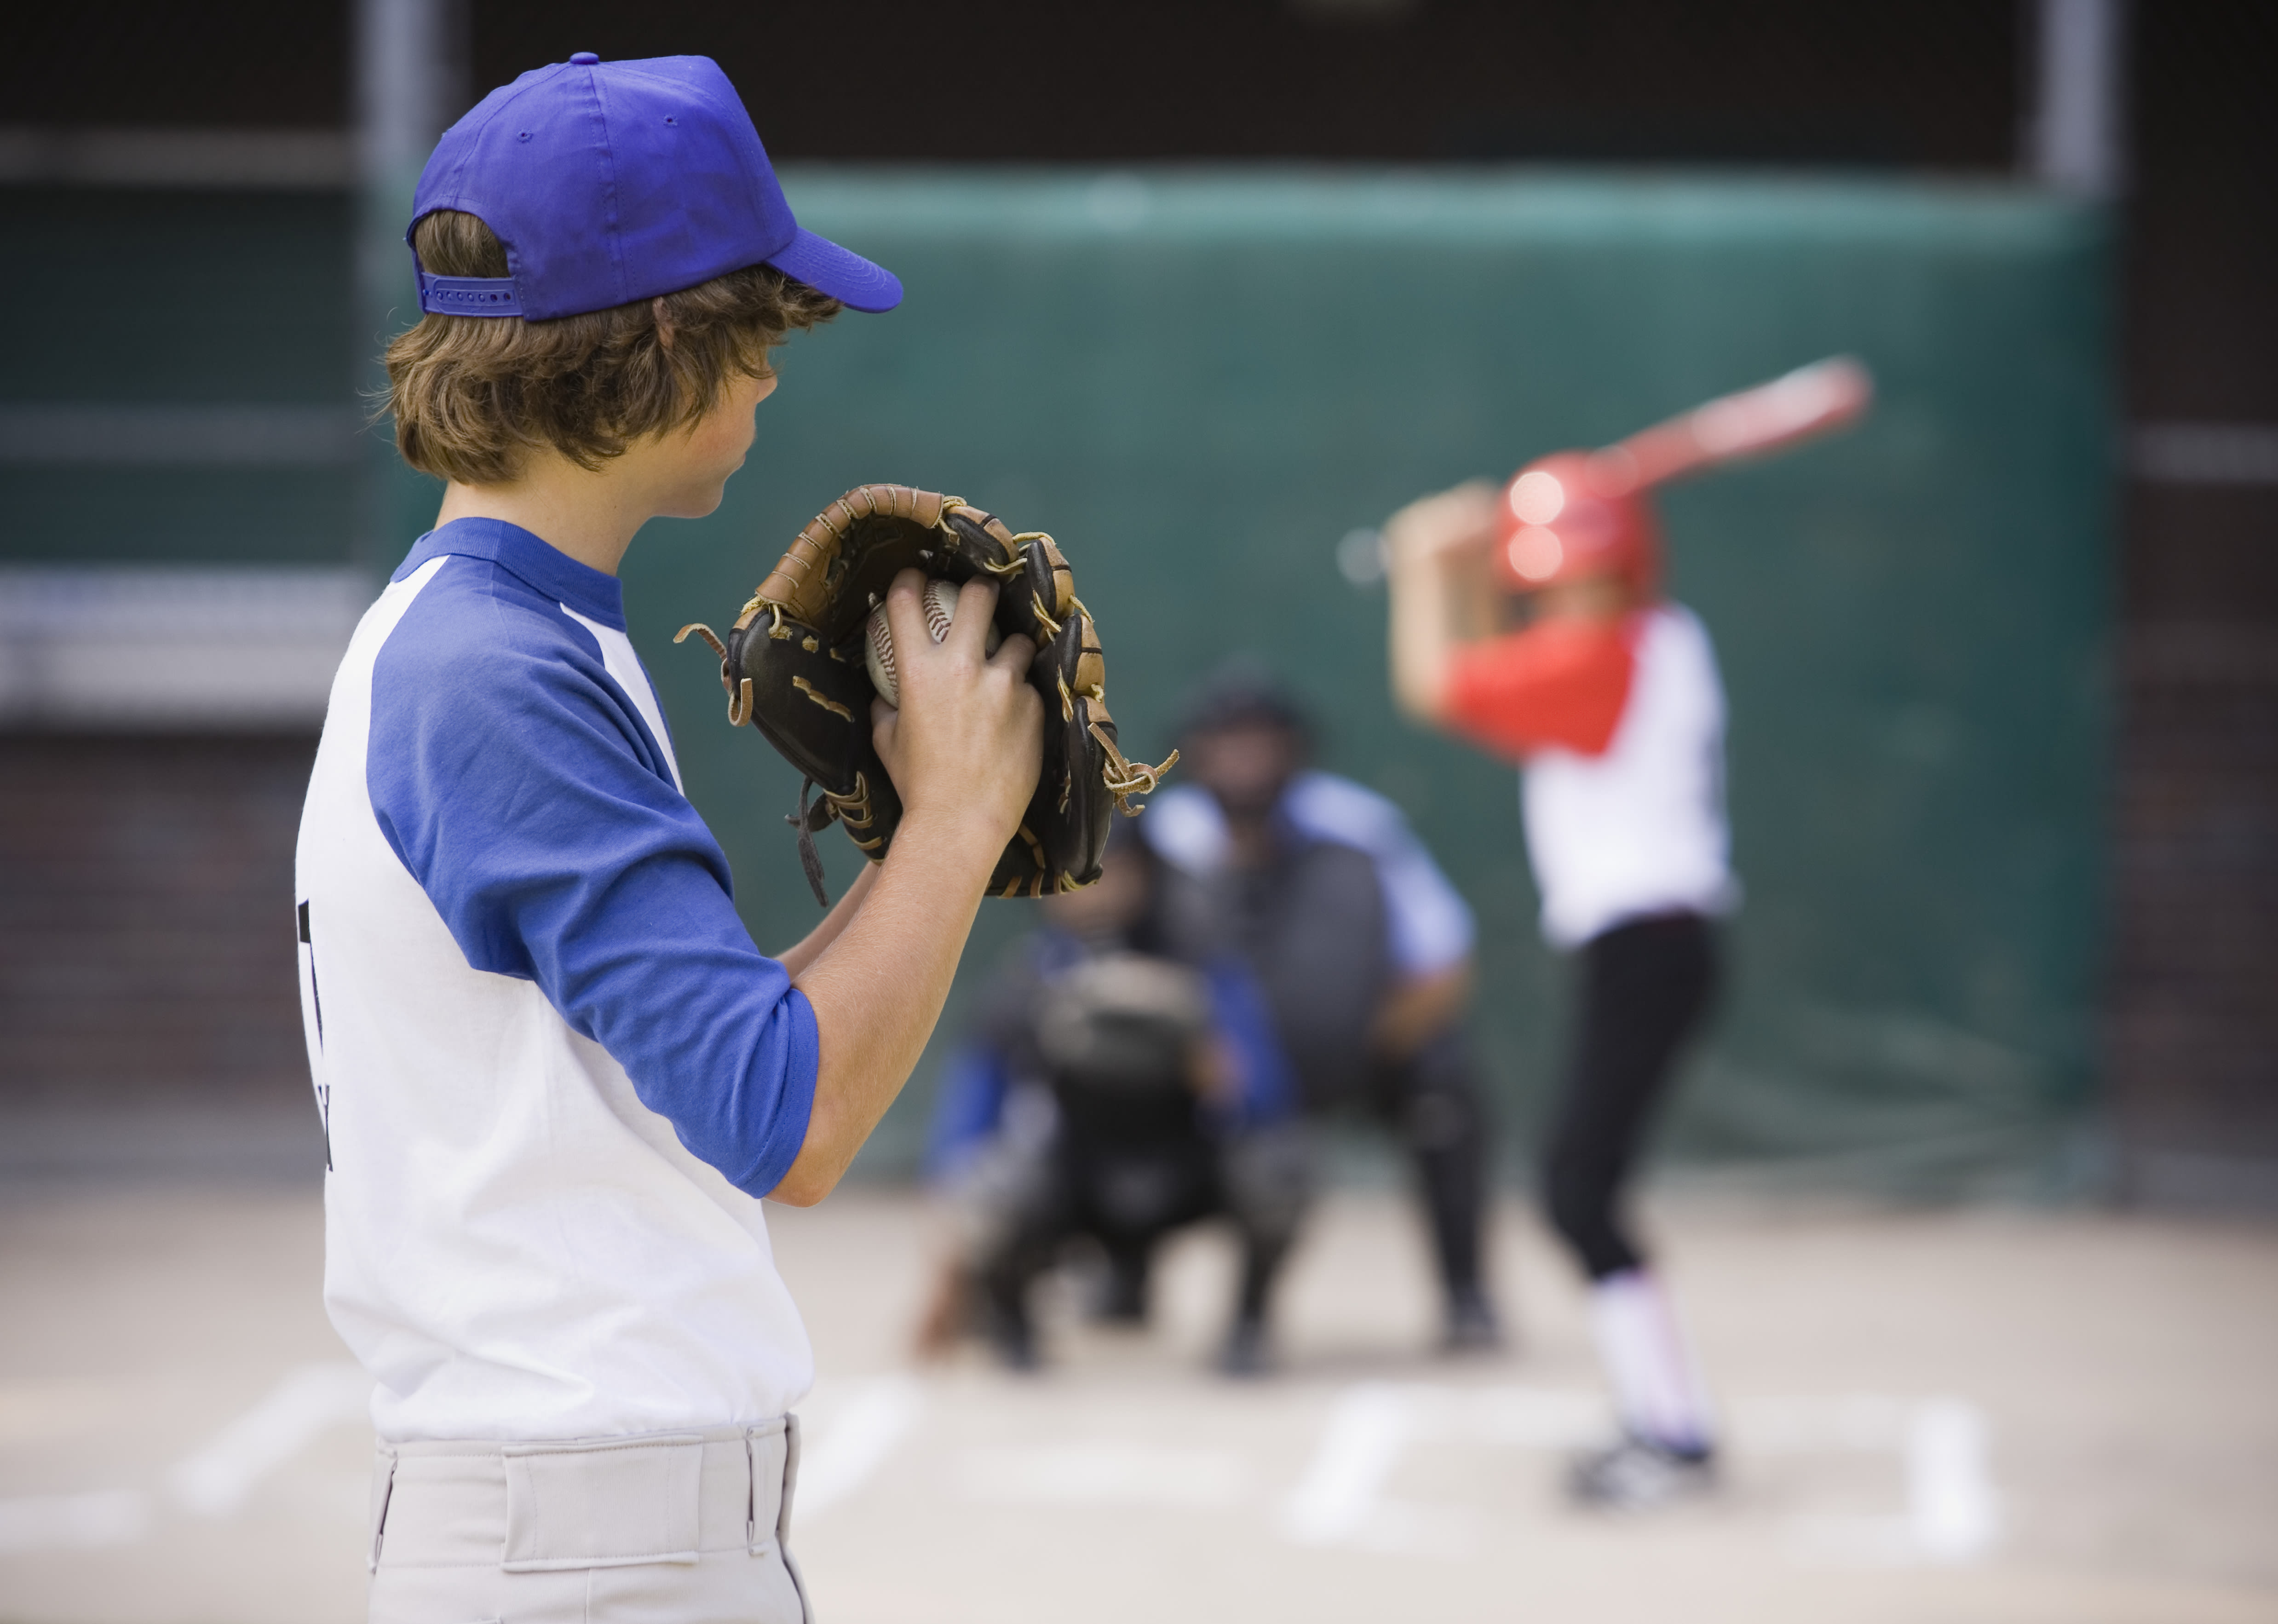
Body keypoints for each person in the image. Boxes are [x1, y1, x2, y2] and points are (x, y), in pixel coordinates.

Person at [295, 54, 1041, 1620]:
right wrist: (957, 831)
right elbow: (795, 1120)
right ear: (652, 342)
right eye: (753, 329)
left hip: (581, 1523)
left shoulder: (497, 633)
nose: (772, 377)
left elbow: (706, 1063)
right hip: (592, 1540)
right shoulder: (494, 679)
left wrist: (919, 841)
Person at [1383, 466, 1732, 1509]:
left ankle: (1672, 1434)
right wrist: (1471, 561)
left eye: (1579, 578)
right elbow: (1504, 653)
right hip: (1650, 948)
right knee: (1583, 1188)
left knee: (1576, 1190)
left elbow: (1437, 683)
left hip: (1647, 949)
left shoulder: (1604, 662)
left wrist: (1417, 566)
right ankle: (1667, 1421)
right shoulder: (1662, 637)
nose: (1564, 600)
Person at [1143, 665, 1502, 1352]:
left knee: (1445, 1090)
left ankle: (1467, 1295)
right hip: (1205, 1063)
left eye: (1262, 742)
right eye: (1227, 743)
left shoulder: (1357, 829)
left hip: (1347, 1048)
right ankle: (1122, 1276)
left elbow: (1442, 960)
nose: (1245, 761)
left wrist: (1346, 1041)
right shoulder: (1163, 835)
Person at [919, 829, 1308, 1376]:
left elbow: (1269, 1096)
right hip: (1074, 1178)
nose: (1093, 892)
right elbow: (963, 1131)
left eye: (1112, 872)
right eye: (1073, 878)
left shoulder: (1202, 969)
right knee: (988, 1189)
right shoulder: (1026, 982)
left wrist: (1216, 1070)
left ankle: (1247, 1327)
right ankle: (1012, 1333)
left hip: (1186, 1172)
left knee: (1278, 1172)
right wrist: (950, 1260)